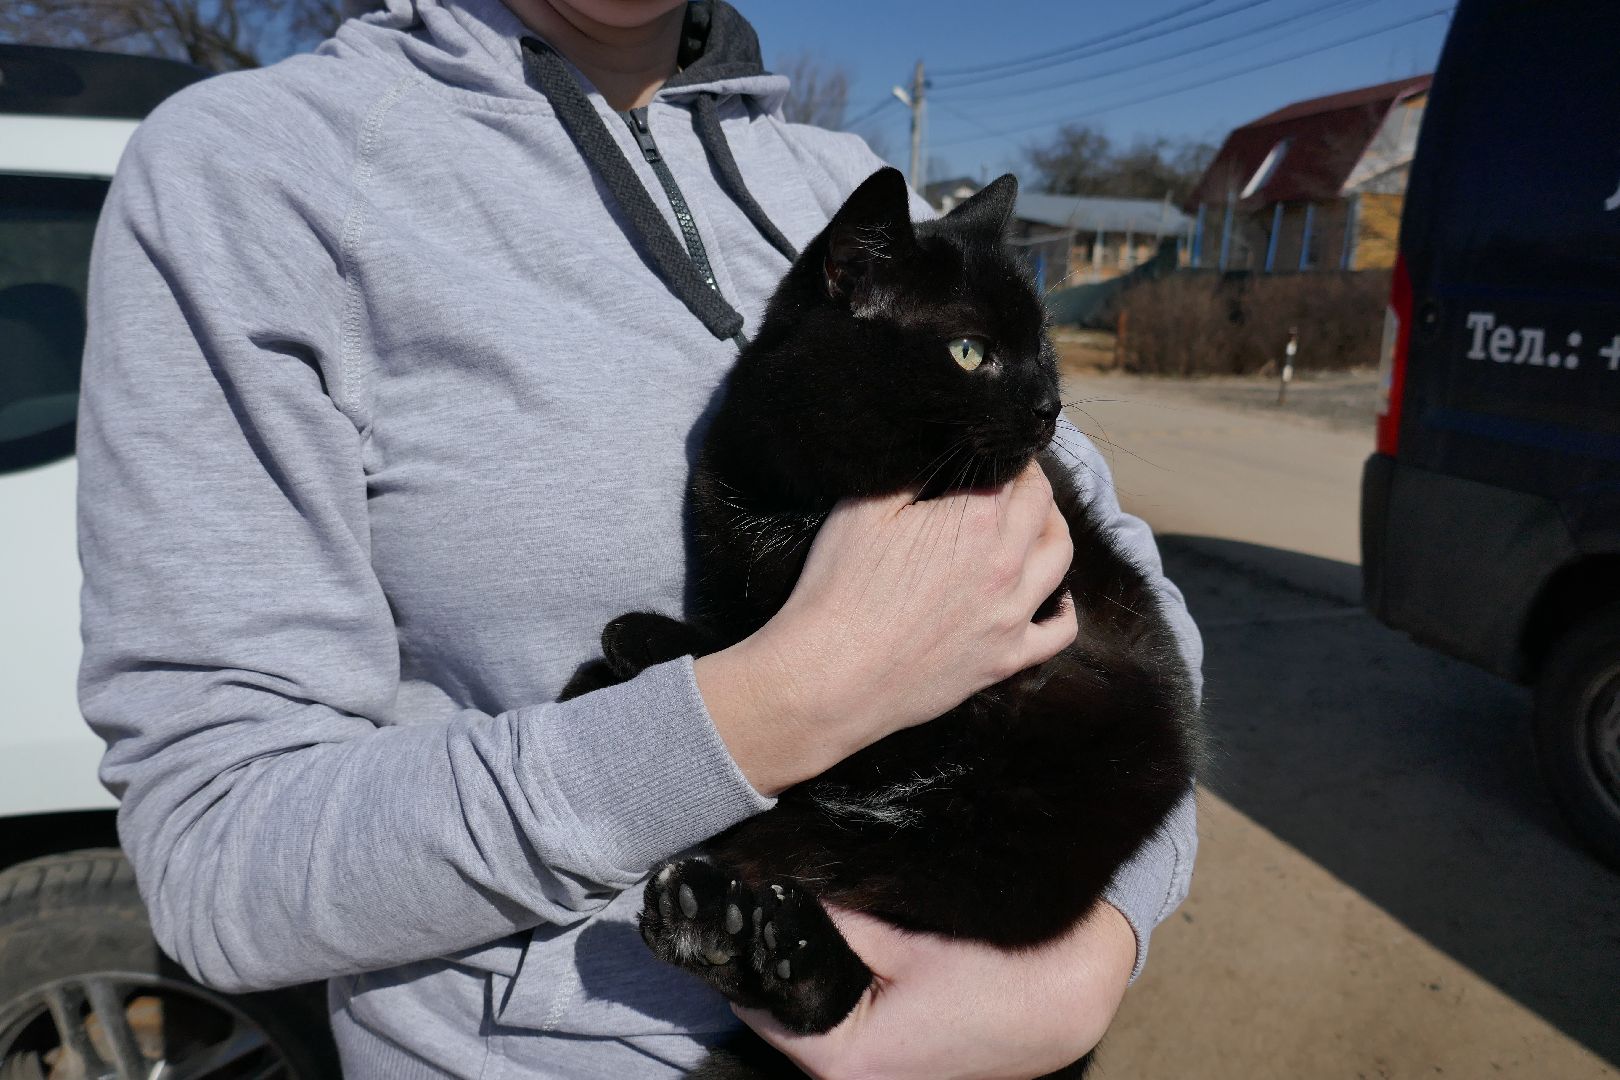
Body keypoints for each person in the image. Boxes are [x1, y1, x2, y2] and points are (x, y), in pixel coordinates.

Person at [76, 1, 1201, 1077]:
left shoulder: (844, 185)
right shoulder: (260, 172)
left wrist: (1095, 944)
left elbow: (1133, 613)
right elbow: (216, 852)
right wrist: (776, 703)